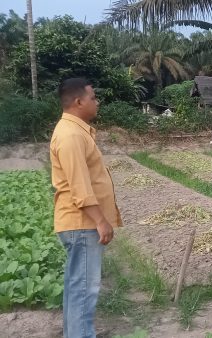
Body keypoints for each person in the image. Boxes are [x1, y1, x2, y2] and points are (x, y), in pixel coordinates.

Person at [50, 78, 122, 338]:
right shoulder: (70, 135)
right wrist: (100, 221)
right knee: (84, 289)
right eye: (93, 98)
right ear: (79, 102)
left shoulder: (76, 132)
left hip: (80, 223)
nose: (97, 102)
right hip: (82, 224)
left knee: (77, 288)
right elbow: (80, 186)